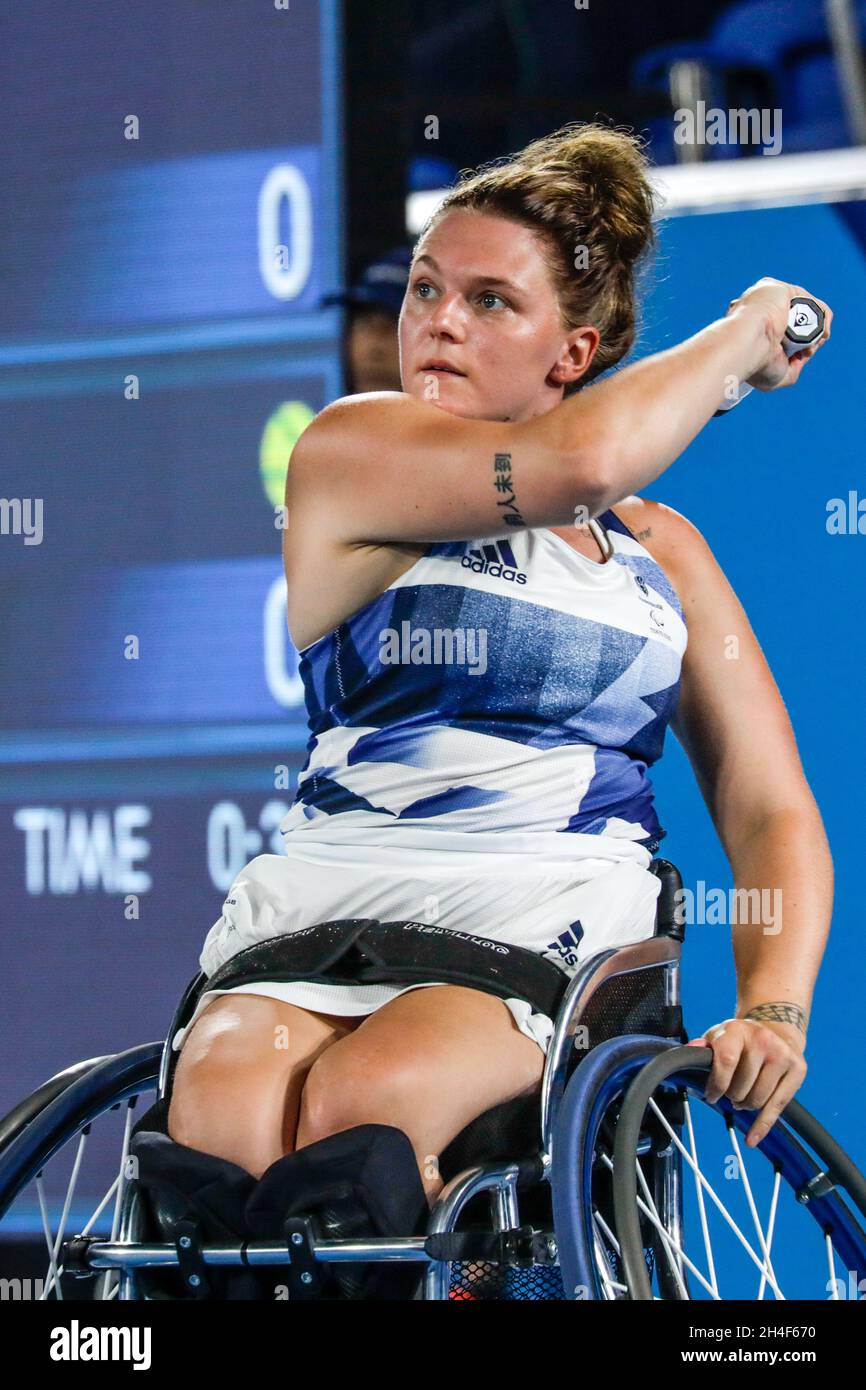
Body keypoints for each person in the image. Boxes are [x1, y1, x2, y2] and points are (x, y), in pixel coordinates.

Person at [168, 123, 833, 1214]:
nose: (434, 321)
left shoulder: (662, 555)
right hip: (322, 898)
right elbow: (578, 460)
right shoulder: (349, 450)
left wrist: (771, 1007)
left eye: (487, 302)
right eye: (425, 289)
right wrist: (744, 340)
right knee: (224, 1108)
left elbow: (767, 809)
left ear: (569, 354)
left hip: (545, 917)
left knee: (367, 1104)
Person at [325, 247, 412, 395]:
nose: (374, 348)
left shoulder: (454, 417)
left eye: (394, 326)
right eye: (365, 325)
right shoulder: (322, 417)